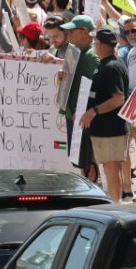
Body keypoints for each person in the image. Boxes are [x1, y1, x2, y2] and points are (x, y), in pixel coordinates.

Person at [80, 28, 130, 202]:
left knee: (111, 169)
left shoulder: (112, 66)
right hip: (104, 128)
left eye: (96, 42)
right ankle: (115, 203)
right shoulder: (107, 63)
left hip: (111, 128)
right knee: (110, 169)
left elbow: (118, 99)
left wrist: (94, 111)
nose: (94, 44)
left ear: (100, 44)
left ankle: (115, 206)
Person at [59, 15, 99, 179]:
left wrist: (84, 109)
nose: (69, 35)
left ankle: (92, 195)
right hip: (74, 114)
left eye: (73, 31)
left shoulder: (91, 56)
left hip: (82, 116)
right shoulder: (75, 53)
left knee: (87, 160)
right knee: (81, 161)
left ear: (84, 33)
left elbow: (96, 87)